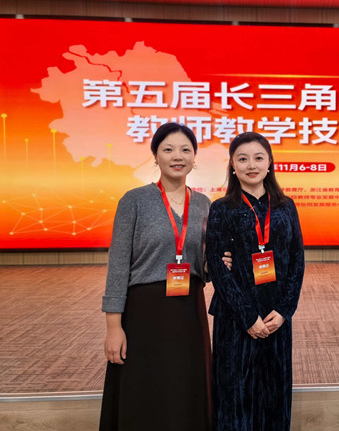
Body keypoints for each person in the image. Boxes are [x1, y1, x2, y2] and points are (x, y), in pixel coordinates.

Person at [99, 122, 230, 431]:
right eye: (168, 149)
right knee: (144, 390)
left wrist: (219, 264)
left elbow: (202, 267)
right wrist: (113, 328)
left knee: (186, 389)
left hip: (189, 312)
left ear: (194, 157)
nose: (177, 156)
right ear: (155, 155)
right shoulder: (134, 200)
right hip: (144, 314)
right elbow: (118, 266)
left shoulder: (204, 205)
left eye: (185, 150)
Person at [206, 131, 305, 431]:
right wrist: (248, 317)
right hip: (236, 319)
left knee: (274, 396)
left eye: (259, 158)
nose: (251, 165)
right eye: (243, 159)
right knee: (235, 398)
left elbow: (297, 260)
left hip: (276, 317)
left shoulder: (286, 206)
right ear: (233, 165)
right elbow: (217, 265)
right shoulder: (222, 208)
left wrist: (285, 311)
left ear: (270, 163)